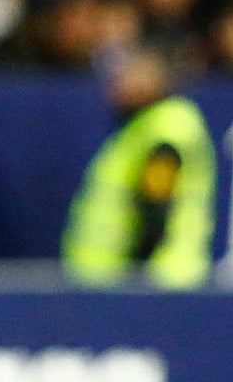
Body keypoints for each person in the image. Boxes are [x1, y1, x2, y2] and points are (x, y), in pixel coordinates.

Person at [61, 46, 216, 287]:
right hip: (119, 285)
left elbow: (156, 207)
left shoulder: (167, 129)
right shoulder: (140, 127)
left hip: (159, 286)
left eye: (131, 72)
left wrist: (135, 280)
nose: (119, 80)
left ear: (156, 76)